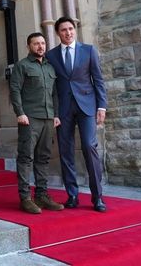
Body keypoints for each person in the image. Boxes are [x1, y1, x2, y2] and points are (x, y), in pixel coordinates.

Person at [46, 16, 108, 212]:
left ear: (75, 29)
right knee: (65, 151)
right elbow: (51, 87)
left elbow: (98, 79)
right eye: (63, 30)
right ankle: (72, 195)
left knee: (90, 146)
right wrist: (53, 112)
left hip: (87, 106)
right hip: (63, 109)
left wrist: (102, 106)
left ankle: (97, 197)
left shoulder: (89, 50)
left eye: (71, 28)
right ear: (58, 33)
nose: (68, 32)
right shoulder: (51, 56)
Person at [9, 32, 64, 214]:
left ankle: (42, 195)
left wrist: (55, 115)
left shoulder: (50, 68)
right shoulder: (22, 66)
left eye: (42, 43)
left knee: (43, 158)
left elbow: (55, 94)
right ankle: (25, 198)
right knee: (26, 157)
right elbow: (15, 90)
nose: (40, 47)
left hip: (48, 119)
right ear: (29, 46)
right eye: (36, 44)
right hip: (29, 118)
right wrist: (20, 113)